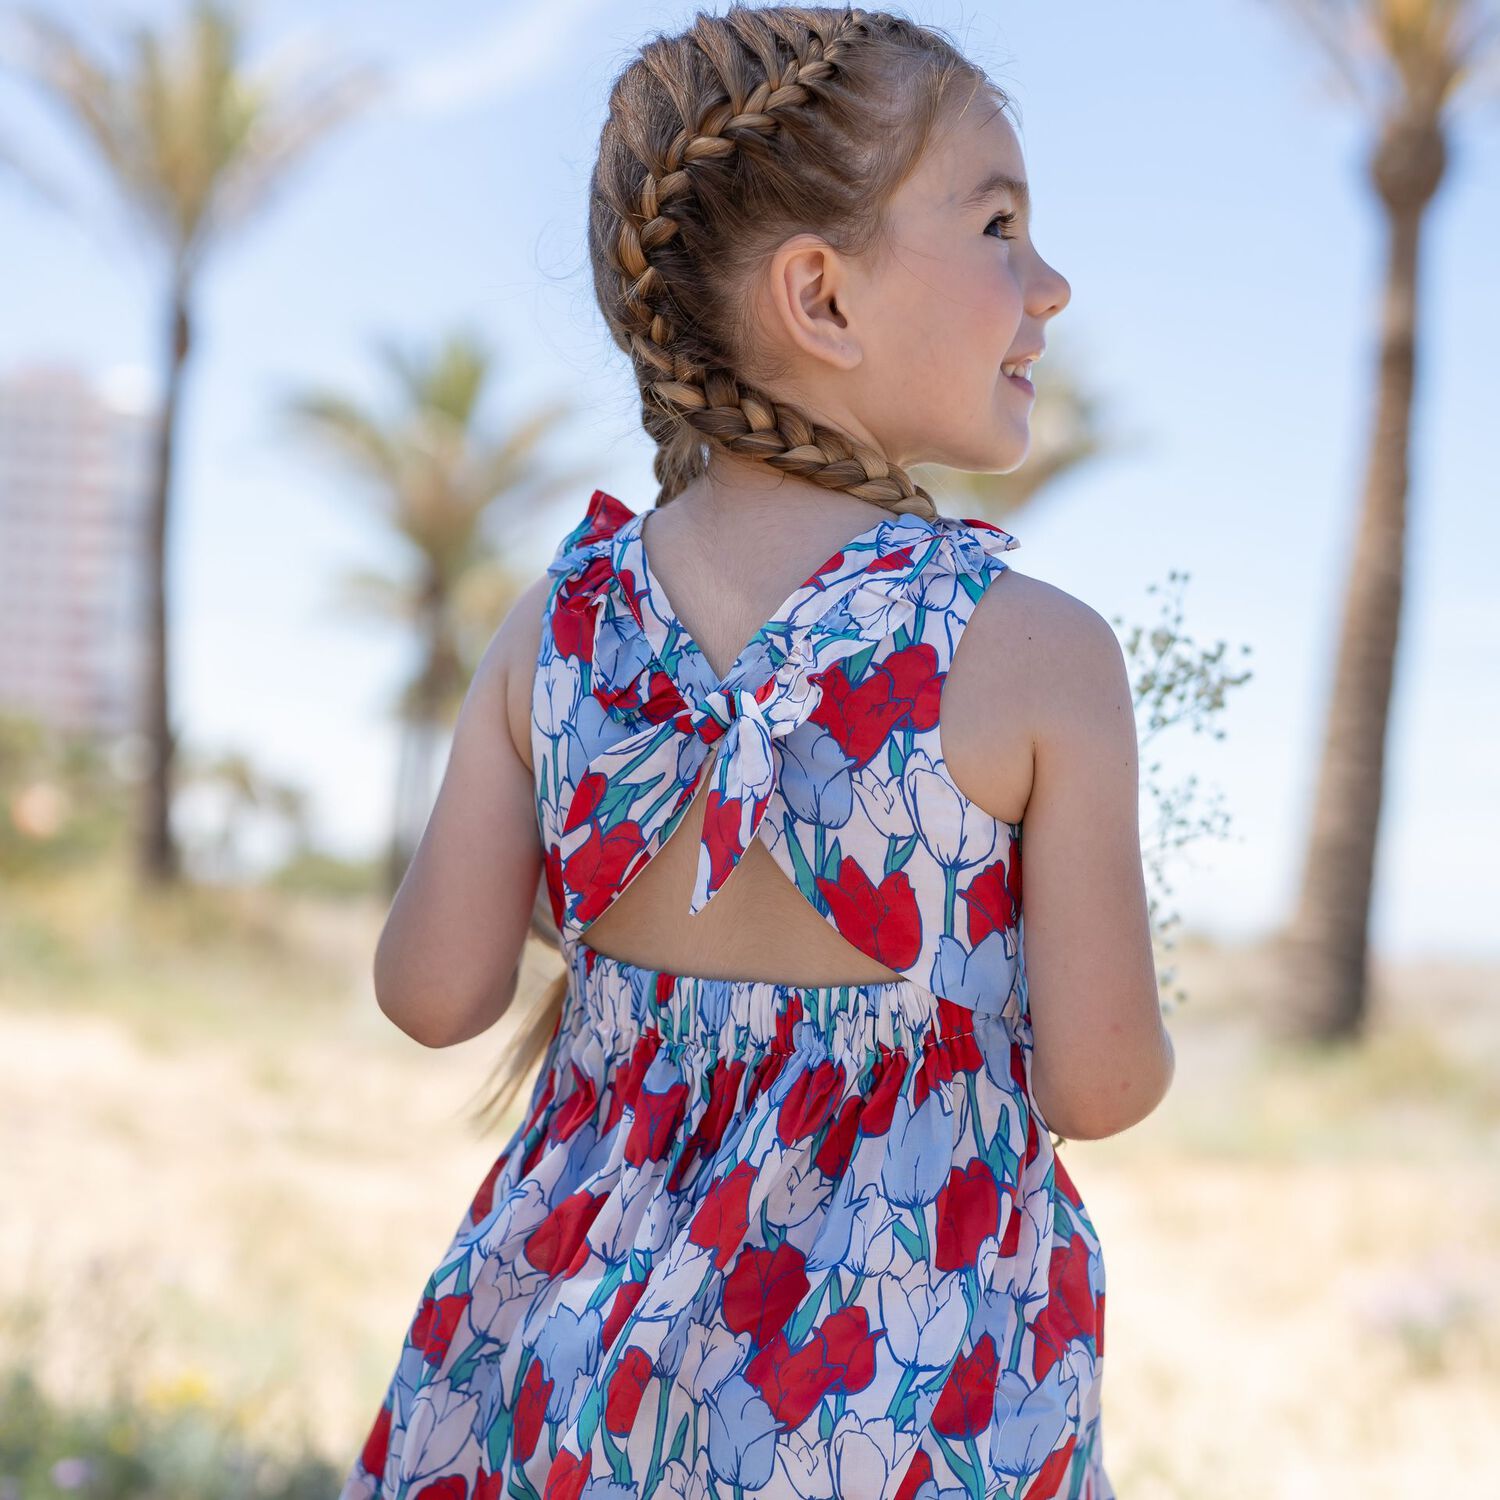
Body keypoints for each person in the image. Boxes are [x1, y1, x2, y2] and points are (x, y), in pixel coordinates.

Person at [339, 5, 1174, 1497]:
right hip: (895, 1396)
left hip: (566, 1371)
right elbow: (1099, 1084)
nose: (1049, 285)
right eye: (998, 223)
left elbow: (429, 992)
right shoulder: (1035, 653)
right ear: (822, 297)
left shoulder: (563, 622)